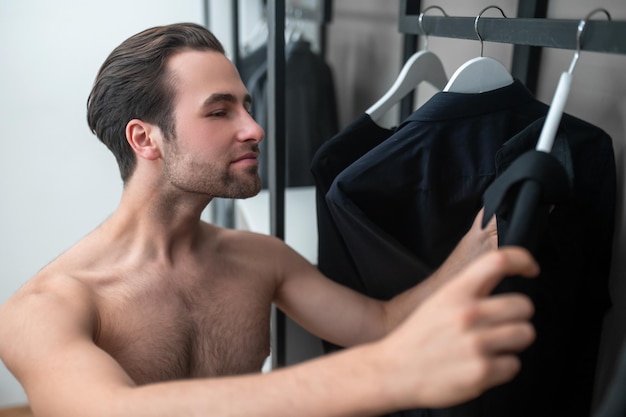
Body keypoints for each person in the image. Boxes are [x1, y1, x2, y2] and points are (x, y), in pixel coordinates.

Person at [0, 22, 539, 417]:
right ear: (145, 139)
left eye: (247, 106)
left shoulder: (259, 259)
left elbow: (382, 324)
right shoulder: (45, 308)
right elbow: (109, 410)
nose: (255, 128)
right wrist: (388, 373)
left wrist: (473, 248)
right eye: (220, 111)